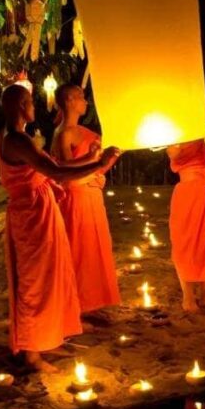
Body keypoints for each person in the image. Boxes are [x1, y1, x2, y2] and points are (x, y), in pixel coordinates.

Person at [0, 84, 119, 371]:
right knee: (36, 282)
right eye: (29, 102)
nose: (34, 106)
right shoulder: (17, 140)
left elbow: (51, 168)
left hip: (41, 210)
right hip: (32, 216)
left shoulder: (18, 138)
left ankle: (50, 338)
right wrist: (97, 163)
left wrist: (95, 161)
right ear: (19, 106)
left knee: (55, 276)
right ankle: (32, 353)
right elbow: (56, 170)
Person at [50, 84, 120, 316]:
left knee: (93, 248)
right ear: (69, 101)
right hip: (76, 196)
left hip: (92, 195)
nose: (85, 102)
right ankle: (74, 303)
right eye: (81, 97)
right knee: (78, 250)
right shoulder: (65, 132)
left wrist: (110, 158)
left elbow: (99, 166)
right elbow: (62, 167)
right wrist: (92, 160)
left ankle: (90, 301)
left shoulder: (85, 131)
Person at [167, 132, 205, 312]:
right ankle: (188, 297)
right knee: (186, 241)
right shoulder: (176, 129)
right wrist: (181, 139)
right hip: (189, 190)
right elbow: (173, 155)